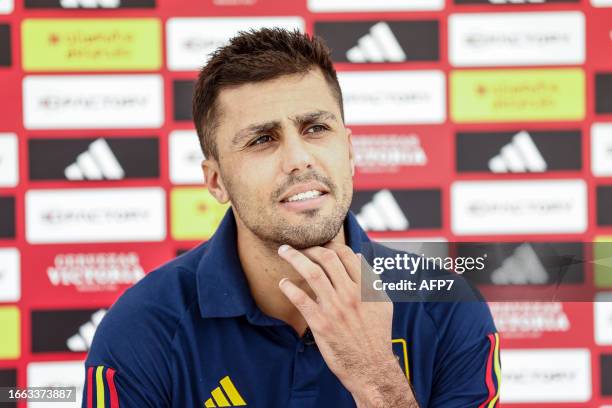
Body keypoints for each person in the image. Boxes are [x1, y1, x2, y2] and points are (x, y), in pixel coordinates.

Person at [81, 28, 500, 408]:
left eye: (316, 128)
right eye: (263, 139)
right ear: (216, 181)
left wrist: (376, 379)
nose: (299, 160)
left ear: (349, 151)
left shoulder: (445, 307)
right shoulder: (143, 329)